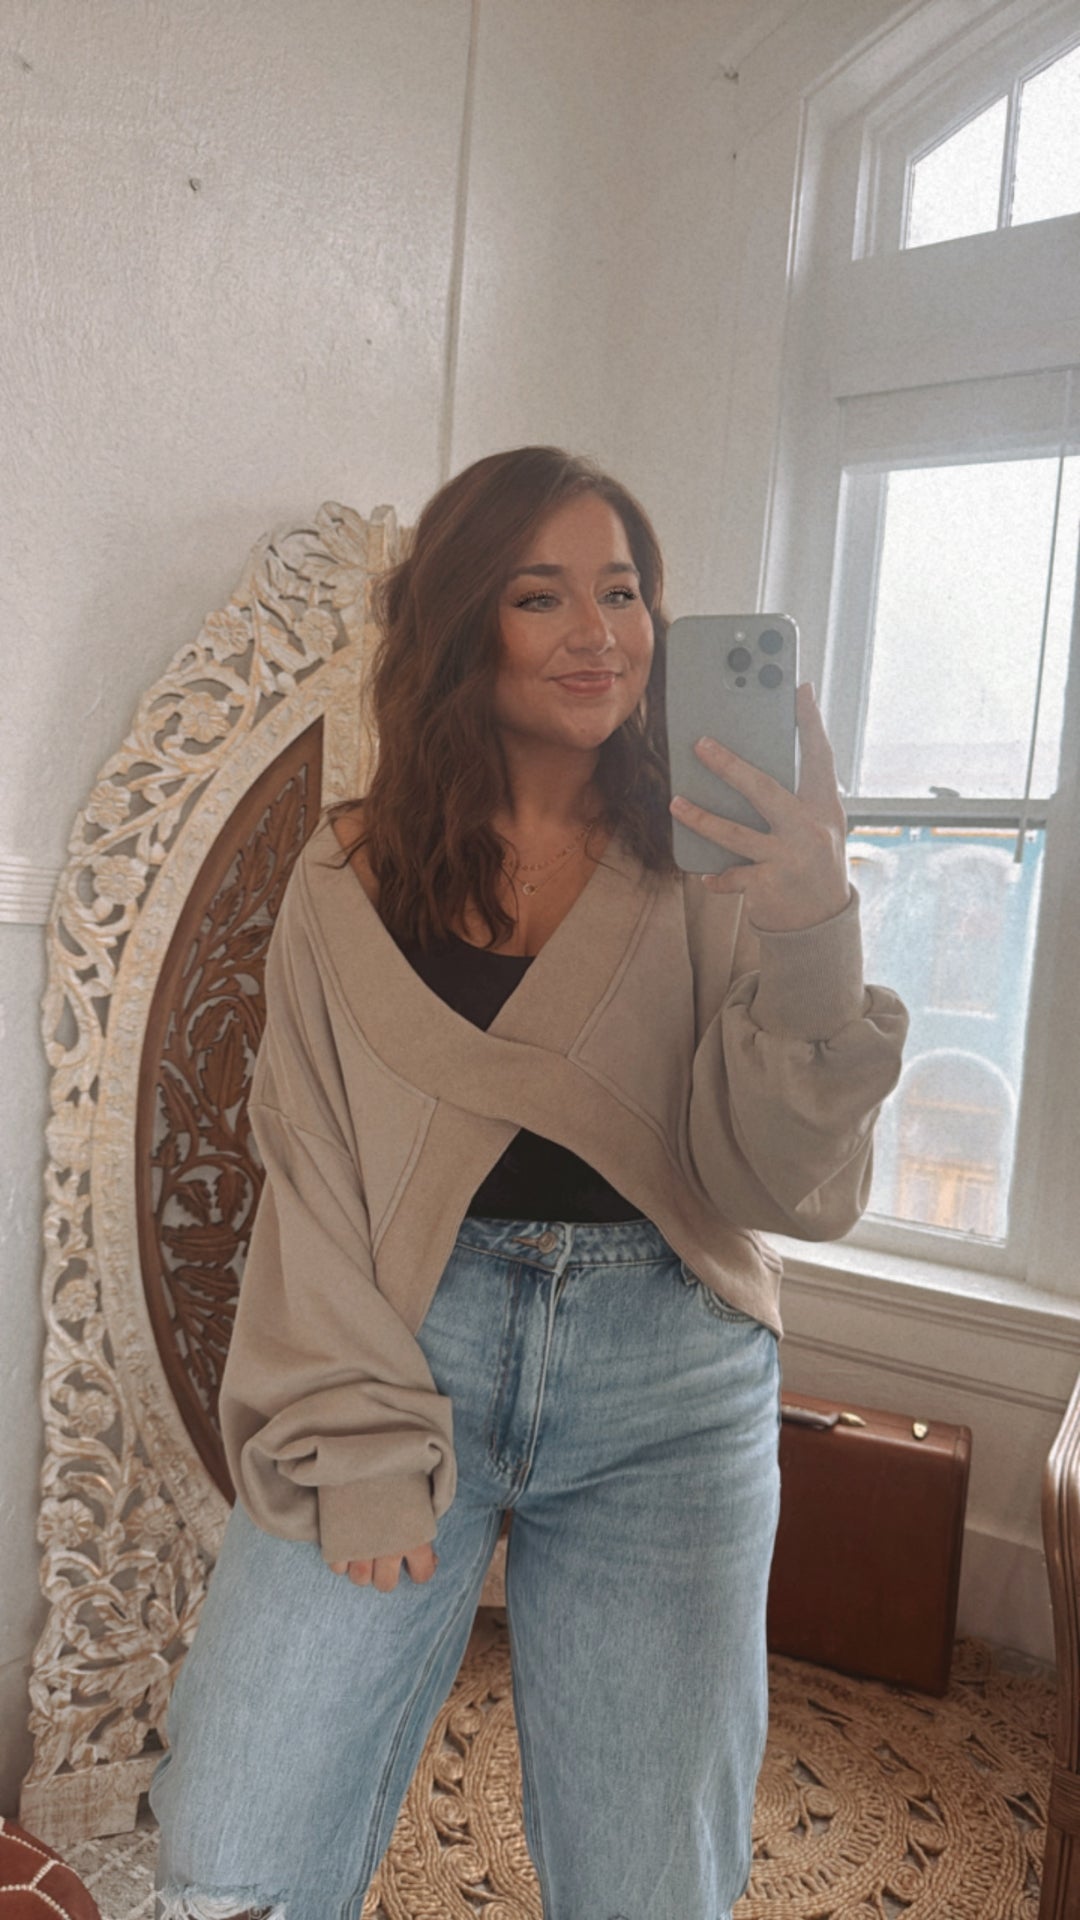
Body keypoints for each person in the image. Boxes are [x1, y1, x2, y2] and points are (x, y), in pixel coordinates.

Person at [150, 446, 908, 1920]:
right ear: (460, 624)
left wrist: (814, 924)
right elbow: (308, 1175)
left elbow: (787, 1188)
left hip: (671, 1386)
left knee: (650, 1887)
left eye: (621, 593)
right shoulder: (341, 882)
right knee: (228, 1853)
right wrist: (353, 1441)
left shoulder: (715, 871)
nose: (599, 633)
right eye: (540, 594)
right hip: (396, 1358)